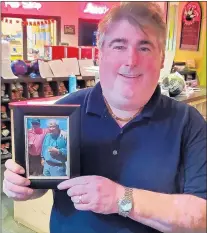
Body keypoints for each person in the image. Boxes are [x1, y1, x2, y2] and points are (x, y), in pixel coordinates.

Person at [3, 2, 206, 233]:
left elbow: (201, 217)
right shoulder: (61, 114)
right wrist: (22, 185)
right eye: (119, 46)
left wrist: (120, 199)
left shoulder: (188, 123)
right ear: (100, 54)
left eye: (145, 47)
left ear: (162, 59)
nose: (131, 60)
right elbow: (43, 180)